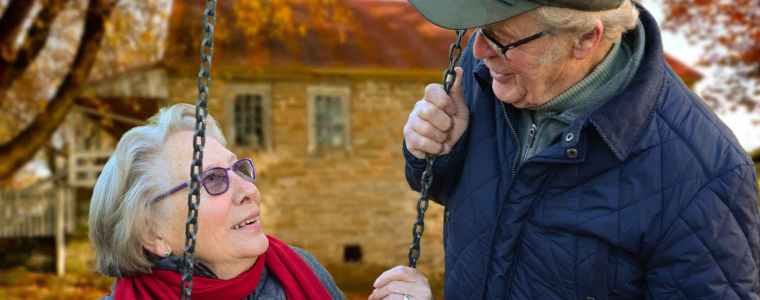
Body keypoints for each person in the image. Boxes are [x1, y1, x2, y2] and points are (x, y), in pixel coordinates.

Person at [374, 0, 760, 299]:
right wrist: (435, 151)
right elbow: (469, 195)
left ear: (585, 39)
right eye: (479, 30)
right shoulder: (488, 80)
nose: (479, 50)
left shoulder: (705, 178)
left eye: (500, 37)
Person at [89, 103, 344, 299]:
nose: (249, 190)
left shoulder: (302, 271)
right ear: (152, 234)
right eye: (212, 179)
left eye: (238, 169)